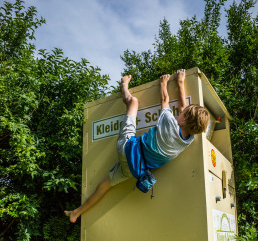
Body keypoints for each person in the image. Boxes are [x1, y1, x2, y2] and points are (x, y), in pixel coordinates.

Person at [65, 69, 210, 223]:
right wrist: (181, 83)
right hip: (134, 169)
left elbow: (165, 100)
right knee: (106, 184)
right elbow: (183, 109)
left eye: (184, 113)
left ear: (186, 116)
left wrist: (164, 83)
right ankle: (76, 213)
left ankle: (124, 86)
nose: (180, 113)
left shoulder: (169, 122)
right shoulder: (187, 141)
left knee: (133, 102)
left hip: (127, 147)